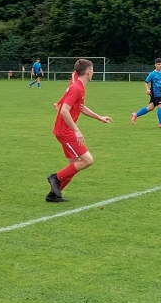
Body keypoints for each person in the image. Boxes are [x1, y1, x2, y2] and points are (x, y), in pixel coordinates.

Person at [46, 58, 112, 203]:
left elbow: (81, 107)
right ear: (88, 72)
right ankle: (55, 177)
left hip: (64, 130)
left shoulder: (79, 86)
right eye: (92, 70)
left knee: (74, 164)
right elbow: (64, 110)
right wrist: (76, 130)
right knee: (88, 160)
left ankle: (53, 195)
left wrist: (99, 117)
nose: (93, 73)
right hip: (65, 131)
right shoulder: (76, 88)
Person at [132, 58, 161, 128]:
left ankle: (136, 115)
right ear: (155, 65)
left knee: (150, 108)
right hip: (155, 92)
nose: (160, 66)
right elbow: (146, 82)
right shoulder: (152, 74)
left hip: (159, 92)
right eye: (158, 64)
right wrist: (147, 90)